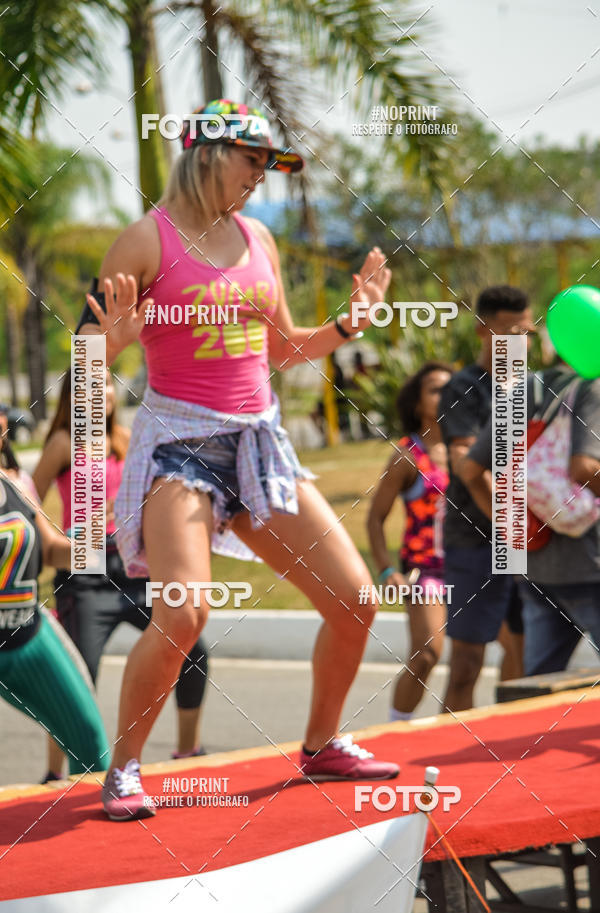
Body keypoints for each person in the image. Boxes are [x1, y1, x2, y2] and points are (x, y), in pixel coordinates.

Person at [76, 99, 398, 821]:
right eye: (252, 160)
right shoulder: (144, 240)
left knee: (356, 599)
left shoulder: (259, 239)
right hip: (179, 448)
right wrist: (112, 341)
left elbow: (281, 349)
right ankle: (123, 769)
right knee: (184, 611)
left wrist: (349, 324)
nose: (260, 176)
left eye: (267, 165)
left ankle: (321, 744)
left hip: (257, 443)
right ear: (208, 154)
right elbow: (86, 361)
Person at [33, 369, 210, 781]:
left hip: (132, 567)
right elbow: (30, 501)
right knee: (76, 675)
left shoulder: (126, 440)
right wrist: (67, 538)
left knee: (192, 650)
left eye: (107, 384)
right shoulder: (62, 444)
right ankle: (55, 775)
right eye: (90, 388)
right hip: (85, 574)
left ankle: (189, 752)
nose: (102, 393)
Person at [460, 360, 600, 676]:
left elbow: (469, 470)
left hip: (533, 567)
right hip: (589, 564)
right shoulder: (593, 387)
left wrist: (510, 527)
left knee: (538, 680)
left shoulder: (525, 389)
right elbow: (584, 467)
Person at [438, 286, 535, 712]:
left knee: (526, 660)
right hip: (474, 540)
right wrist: (509, 518)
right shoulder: (463, 388)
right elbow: (465, 464)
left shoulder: (534, 388)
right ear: (482, 329)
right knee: (466, 664)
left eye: (527, 333)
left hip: (528, 540)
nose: (520, 342)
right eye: (510, 332)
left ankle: (509, 744)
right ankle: (448, 746)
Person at [0, 412, 109, 779]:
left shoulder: (15, 484)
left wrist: (98, 544)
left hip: (28, 636)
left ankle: (87, 813)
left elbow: (50, 551)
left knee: (88, 740)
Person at [367, 362, 453, 720]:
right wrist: (387, 570)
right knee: (427, 655)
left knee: (484, 654)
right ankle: (395, 726)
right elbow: (374, 517)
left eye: (450, 388)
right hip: (425, 571)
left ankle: (462, 733)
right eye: (435, 390)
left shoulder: (469, 447)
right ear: (417, 403)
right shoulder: (407, 456)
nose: (445, 396)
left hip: (472, 565)